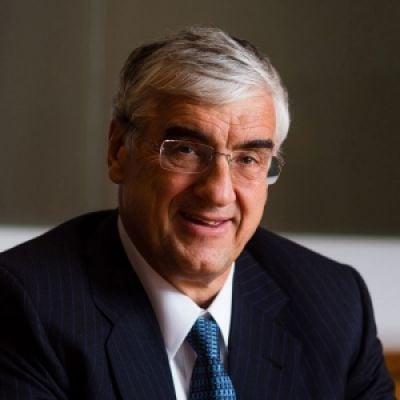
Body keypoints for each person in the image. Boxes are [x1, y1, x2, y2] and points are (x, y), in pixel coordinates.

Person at [0, 26, 394, 399]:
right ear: (120, 150)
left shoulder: (335, 306)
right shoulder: (26, 305)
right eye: (185, 150)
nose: (219, 192)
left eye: (248, 159)